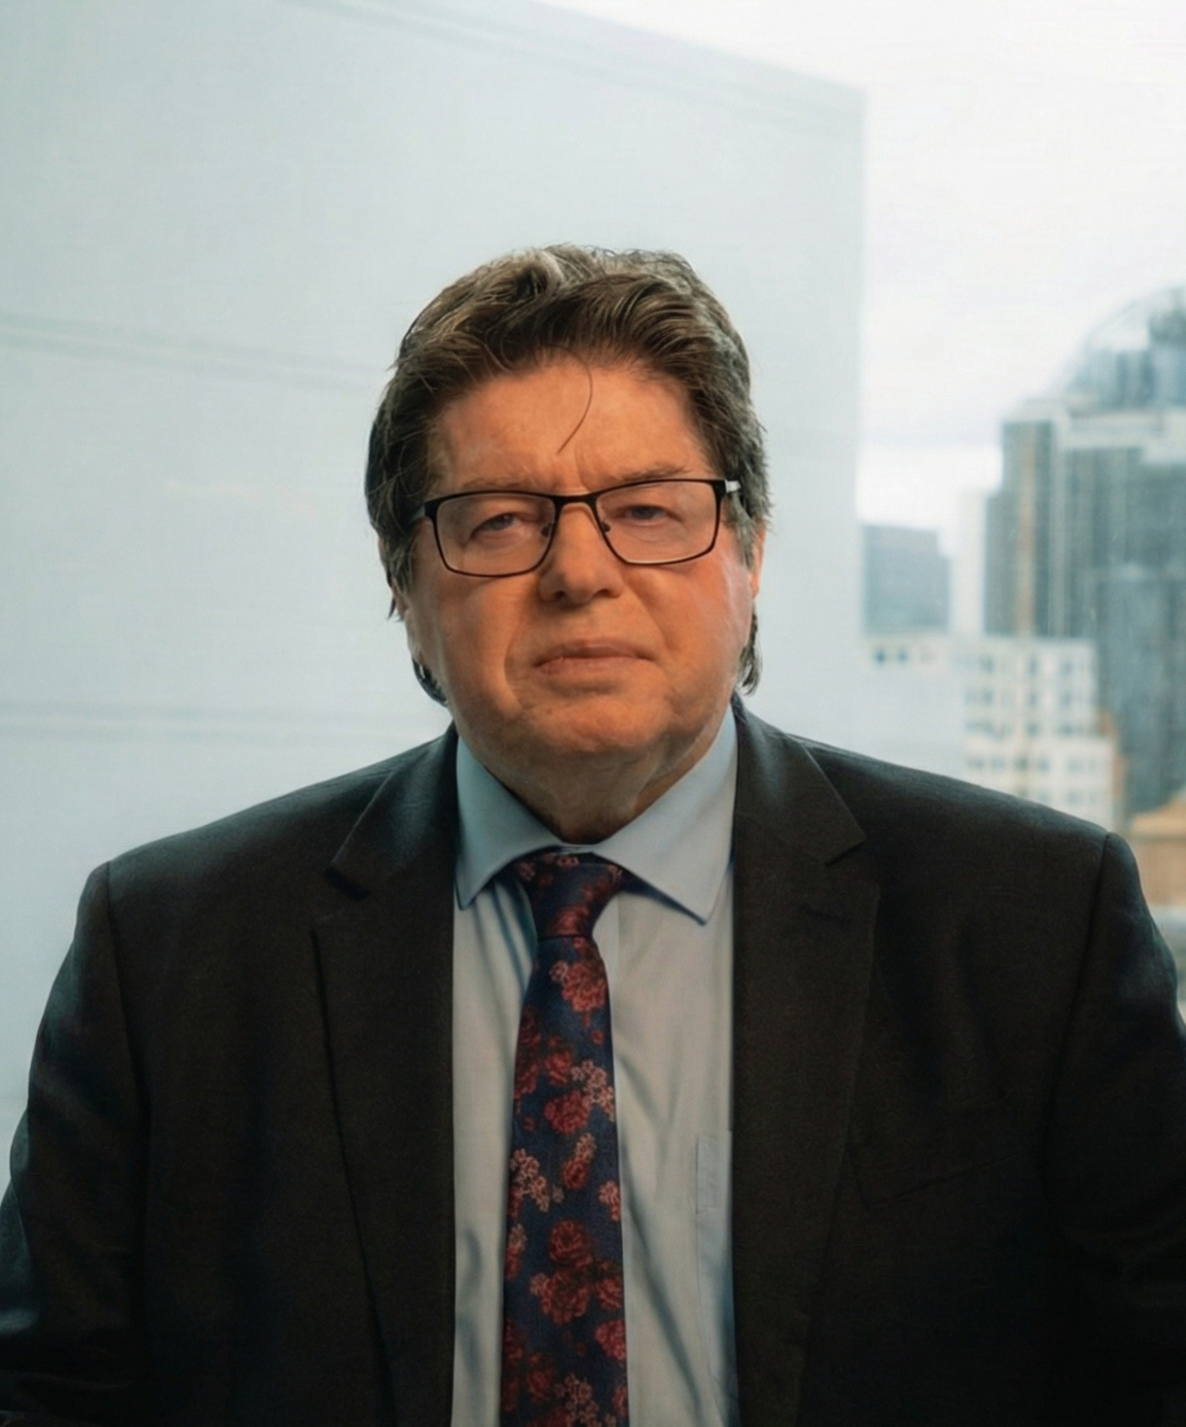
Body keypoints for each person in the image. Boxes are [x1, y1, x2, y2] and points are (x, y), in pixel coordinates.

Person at [1, 245, 1185, 1427]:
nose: (580, 570)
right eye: (501, 520)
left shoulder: (1034, 921)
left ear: (750, 553)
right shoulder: (167, 951)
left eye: (648, 511)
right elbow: (52, 1390)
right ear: (405, 582)